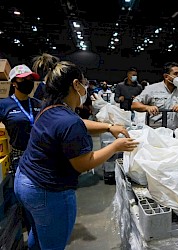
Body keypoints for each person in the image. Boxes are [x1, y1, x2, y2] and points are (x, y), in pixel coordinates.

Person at [13, 60, 139, 250]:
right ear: (75, 84)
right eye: (84, 82)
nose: (86, 86)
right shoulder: (68, 121)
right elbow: (84, 164)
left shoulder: (50, 108)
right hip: (48, 191)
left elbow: (79, 123)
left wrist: (108, 126)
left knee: (39, 234)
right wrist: (116, 147)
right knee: (53, 244)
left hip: (24, 181)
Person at [0, 64, 41, 171]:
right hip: (20, 156)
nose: (28, 81)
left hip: (42, 154)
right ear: (14, 82)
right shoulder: (4, 105)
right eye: (23, 79)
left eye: (30, 79)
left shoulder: (38, 104)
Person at [131, 62, 178, 129]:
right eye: (176, 74)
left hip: (175, 132)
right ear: (166, 76)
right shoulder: (152, 89)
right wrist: (147, 107)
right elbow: (134, 105)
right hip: (155, 132)